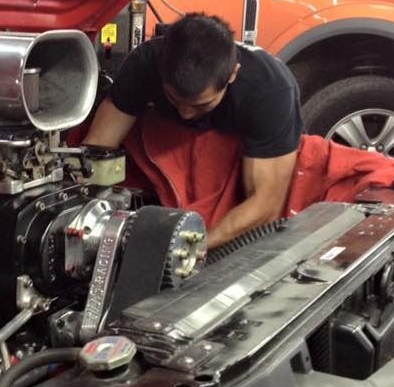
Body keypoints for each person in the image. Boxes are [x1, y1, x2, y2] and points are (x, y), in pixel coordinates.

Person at [83, 13, 302, 248]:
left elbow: (266, 205)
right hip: (169, 148)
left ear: (232, 75)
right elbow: (97, 150)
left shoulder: (269, 91)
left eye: (202, 104)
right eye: (174, 99)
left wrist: (193, 248)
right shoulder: (146, 62)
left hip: (247, 157)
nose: (185, 113)